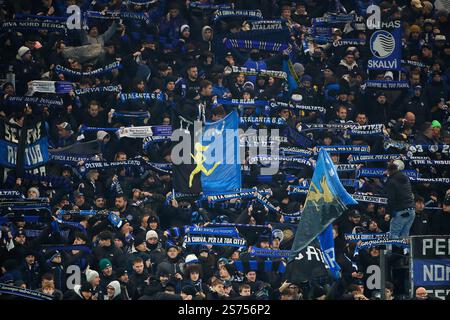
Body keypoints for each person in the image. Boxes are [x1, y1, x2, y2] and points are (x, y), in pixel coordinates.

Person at [384, 160, 416, 239]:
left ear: (389, 171)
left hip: (401, 211)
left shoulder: (391, 181)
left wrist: (389, 212)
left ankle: (394, 251)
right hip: (411, 210)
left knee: (393, 236)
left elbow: (391, 199)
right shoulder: (405, 177)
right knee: (404, 237)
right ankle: (406, 251)